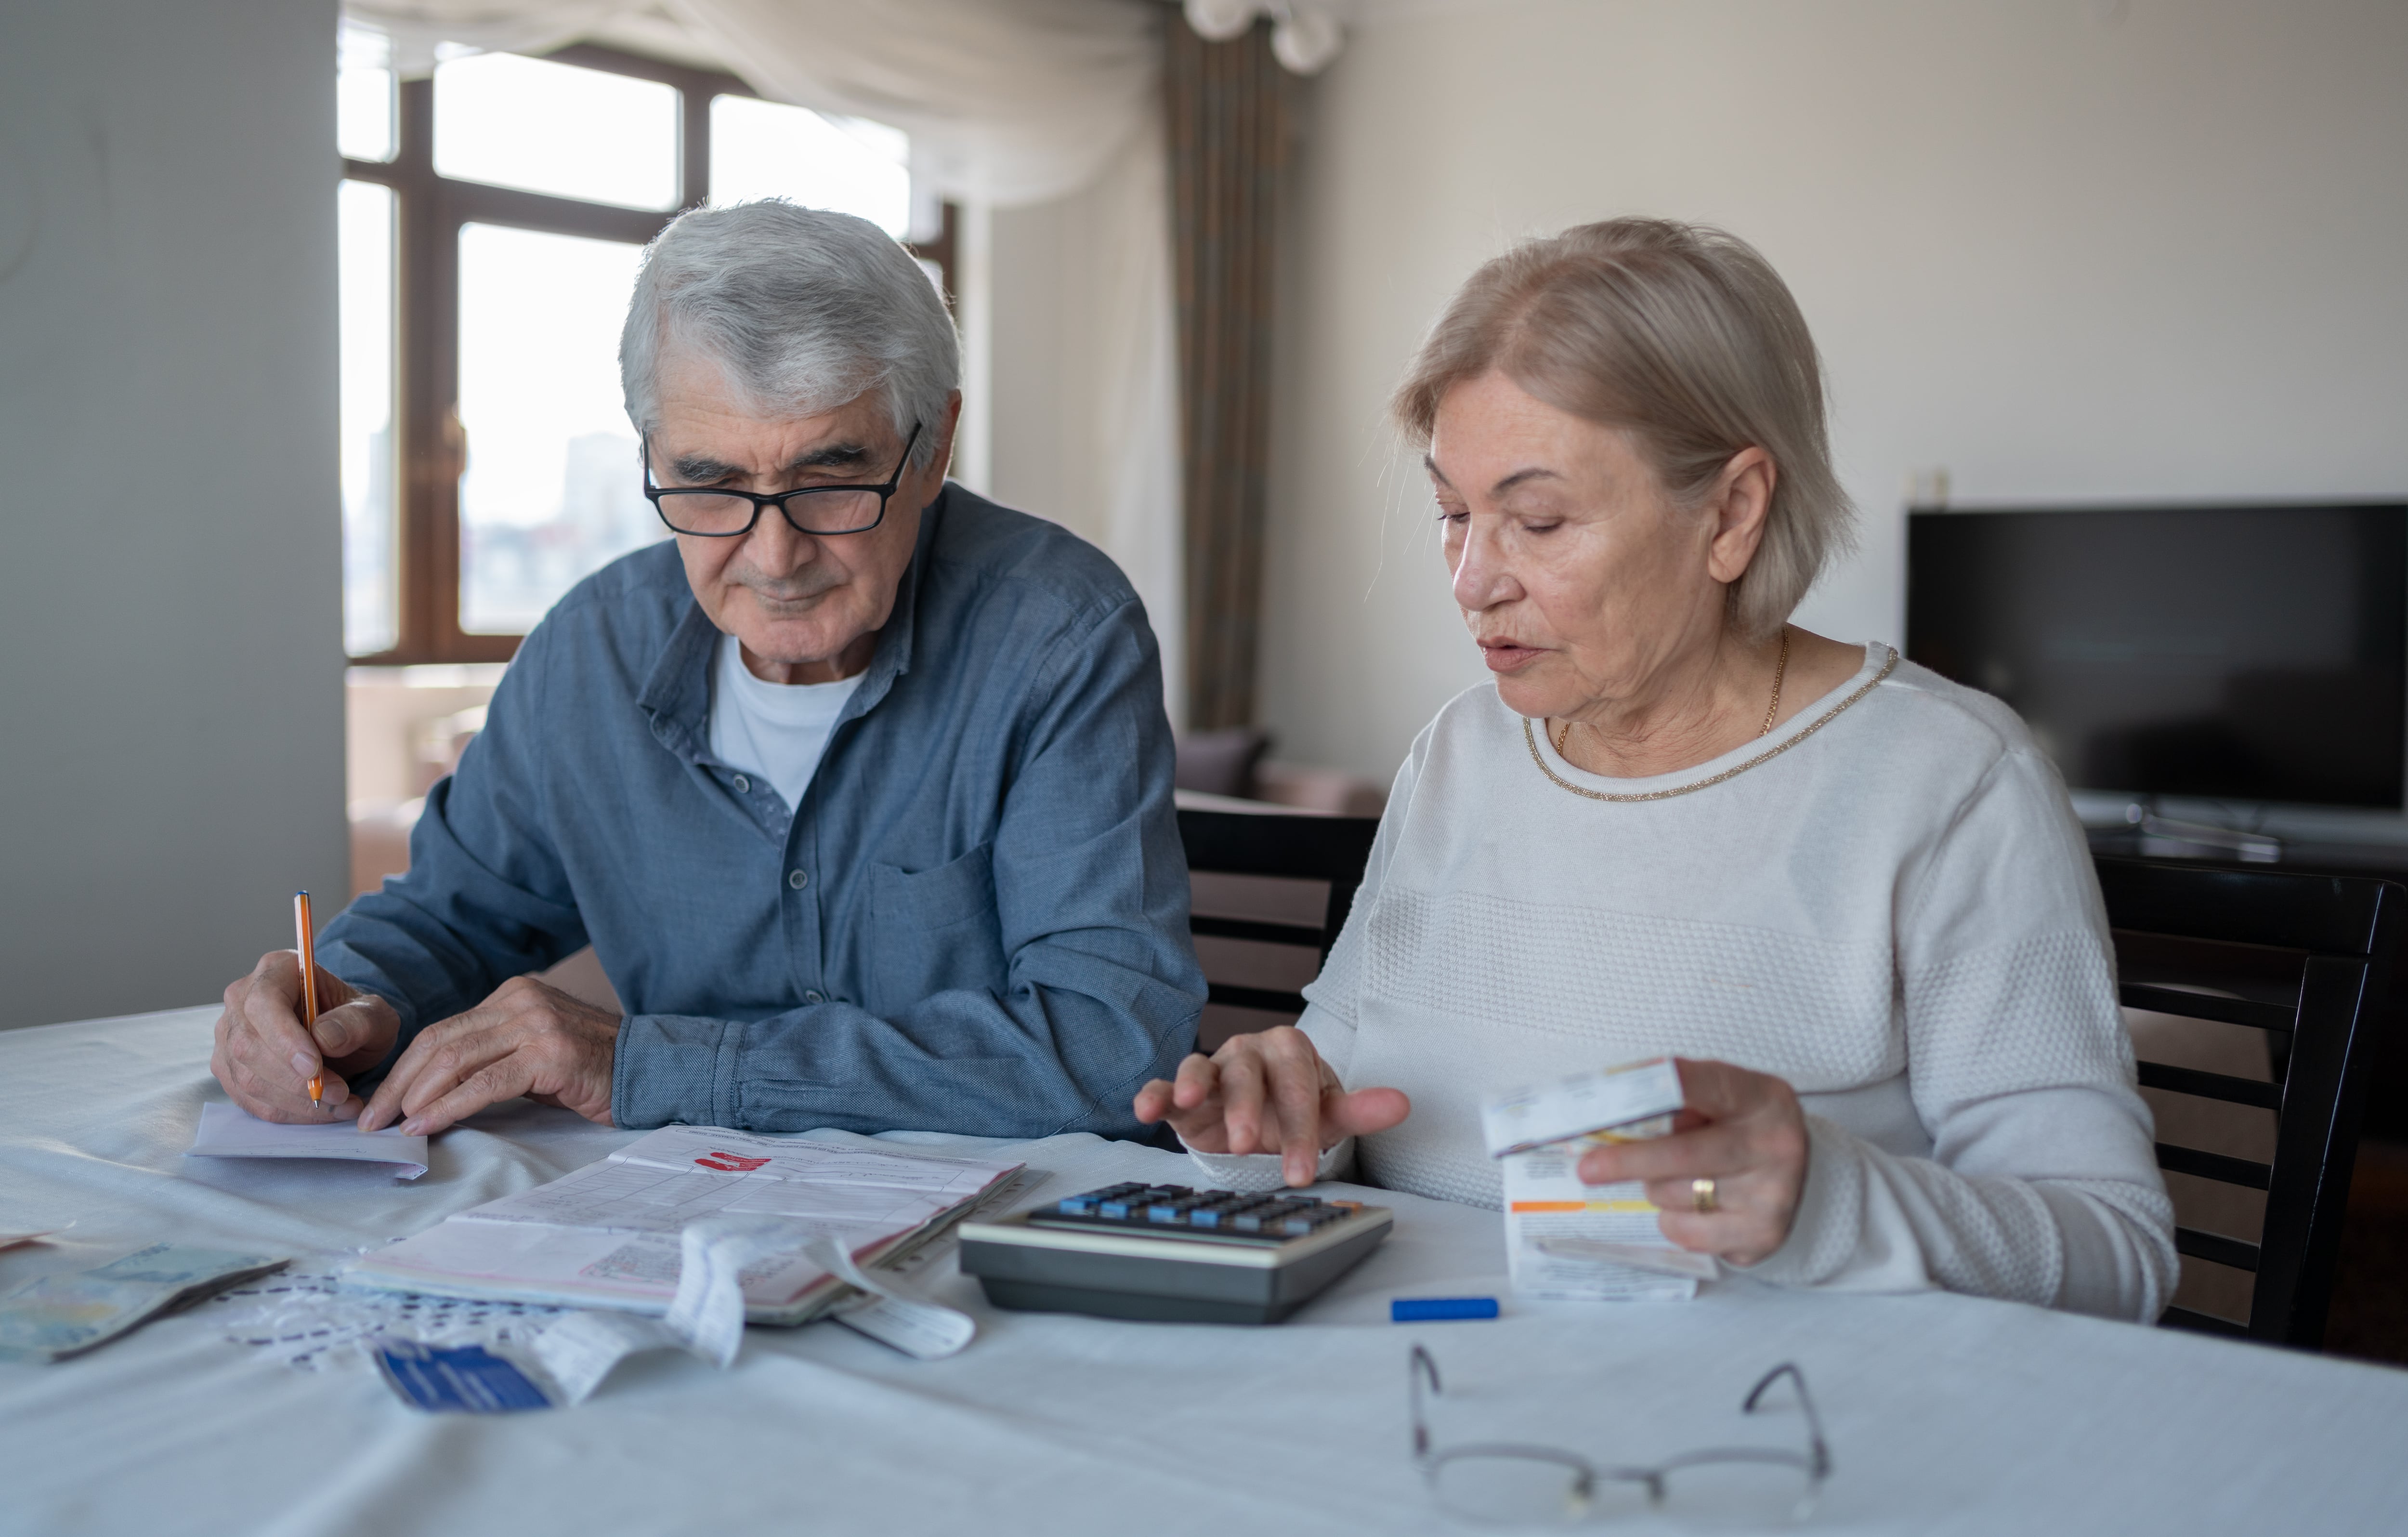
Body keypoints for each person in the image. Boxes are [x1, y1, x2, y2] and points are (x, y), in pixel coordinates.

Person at [1135, 218, 2178, 1320]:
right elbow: (1338, 1095)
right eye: (1453, 514)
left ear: (1730, 514)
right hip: (1426, 1376)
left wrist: (1826, 1199)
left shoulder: (1946, 780)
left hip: (1756, 1434)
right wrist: (1263, 1122)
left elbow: (2117, 1257)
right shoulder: (1461, 750)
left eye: (1537, 520)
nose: (1471, 580)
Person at [213, 202, 1204, 1141]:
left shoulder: (1056, 634)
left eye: (830, 479)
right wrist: (331, 1000)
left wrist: (657, 1065)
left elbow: (1107, 1044)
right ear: (652, 452)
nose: (774, 559)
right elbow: (447, 917)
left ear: (933, 445)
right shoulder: (590, 648)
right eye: (709, 482)